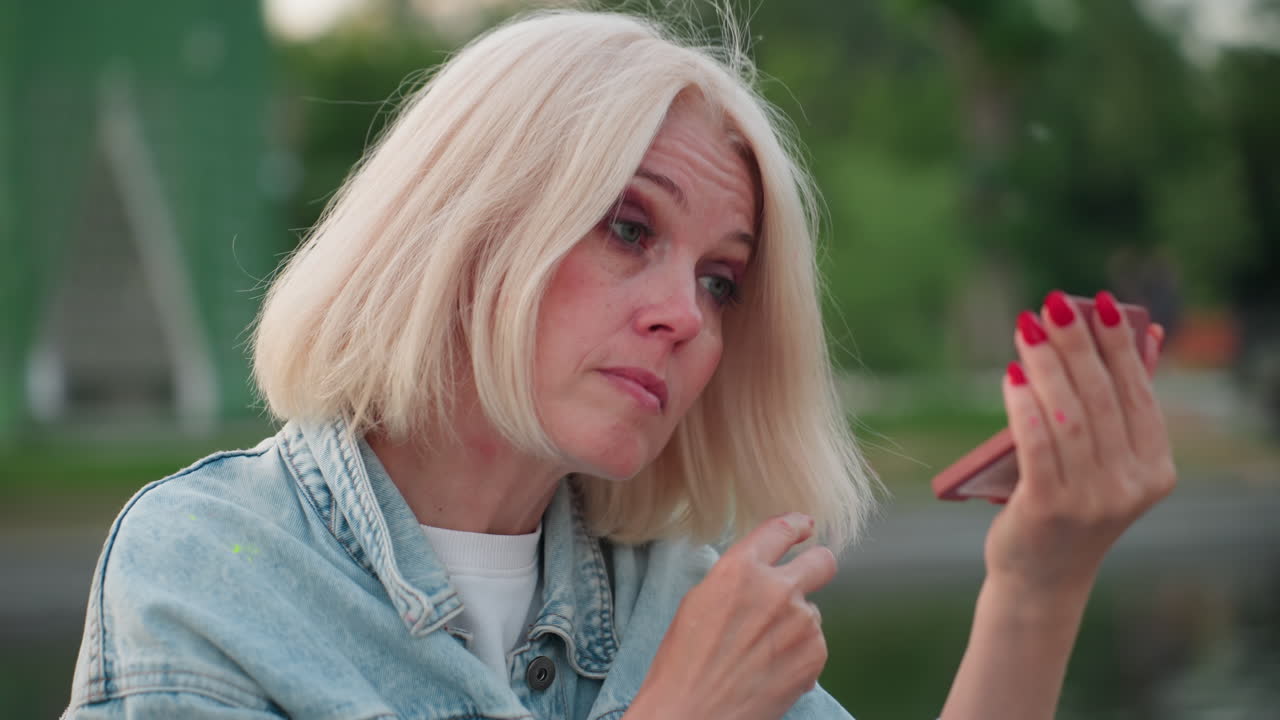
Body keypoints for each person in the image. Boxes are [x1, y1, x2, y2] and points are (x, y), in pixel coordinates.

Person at [63, 9, 1175, 720]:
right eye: (630, 229)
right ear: (468, 223)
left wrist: (1037, 580)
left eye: (720, 280)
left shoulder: (673, 597)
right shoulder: (212, 568)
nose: (686, 317)